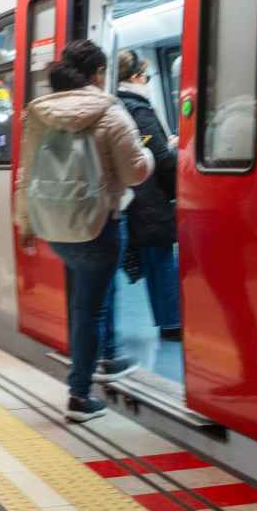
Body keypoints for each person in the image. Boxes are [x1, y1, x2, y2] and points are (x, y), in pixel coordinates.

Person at [14, 45, 152, 423]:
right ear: (97, 73)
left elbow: (26, 174)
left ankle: (104, 356)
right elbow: (135, 172)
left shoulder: (37, 114)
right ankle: (79, 394)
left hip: (56, 227)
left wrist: (25, 223)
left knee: (86, 301)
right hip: (98, 223)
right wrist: (151, 154)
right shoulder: (111, 112)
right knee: (89, 308)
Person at [114, 50, 180, 340]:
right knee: (162, 260)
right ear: (137, 77)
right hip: (148, 198)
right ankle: (172, 323)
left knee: (153, 259)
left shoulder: (116, 105)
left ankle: (167, 321)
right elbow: (160, 157)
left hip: (131, 197)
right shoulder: (138, 108)